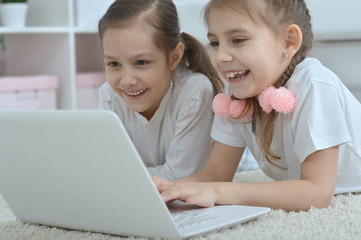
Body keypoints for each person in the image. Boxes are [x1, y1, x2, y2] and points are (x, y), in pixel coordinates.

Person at [154, 0, 361, 211]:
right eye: (215, 43)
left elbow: (317, 193)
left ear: (289, 42)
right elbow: (215, 174)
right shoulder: (236, 93)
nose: (222, 56)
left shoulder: (314, 84)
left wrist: (219, 192)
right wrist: (168, 189)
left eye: (238, 40)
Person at [97, 0, 224, 181]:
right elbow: (106, 170)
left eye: (141, 62)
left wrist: (119, 177)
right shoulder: (109, 96)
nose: (127, 81)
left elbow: (178, 177)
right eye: (114, 64)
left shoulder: (194, 92)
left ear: (174, 57)